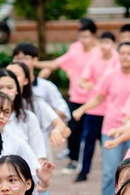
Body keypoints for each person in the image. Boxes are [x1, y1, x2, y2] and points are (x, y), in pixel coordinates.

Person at [73, 42, 130, 195]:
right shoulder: (110, 76)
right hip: (111, 128)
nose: (125, 57)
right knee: (110, 172)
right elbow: (98, 98)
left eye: (129, 53)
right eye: (122, 53)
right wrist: (82, 109)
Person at [35, 18, 99, 172]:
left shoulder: (99, 52)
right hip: (76, 96)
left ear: (94, 35)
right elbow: (58, 63)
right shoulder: (75, 48)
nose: (83, 40)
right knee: (74, 131)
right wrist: (35, 64)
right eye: (81, 36)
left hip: (95, 101)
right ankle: (74, 159)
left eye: (87, 36)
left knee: (92, 135)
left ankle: (90, 165)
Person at [71, 32, 119, 183]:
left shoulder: (117, 60)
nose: (105, 46)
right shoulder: (94, 60)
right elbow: (82, 81)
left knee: (110, 144)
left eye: (108, 42)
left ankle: (113, 172)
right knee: (88, 142)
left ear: (113, 44)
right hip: (94, 109)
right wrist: (90, 85)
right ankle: (84, 171)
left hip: (111, 111)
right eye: (103, 42)